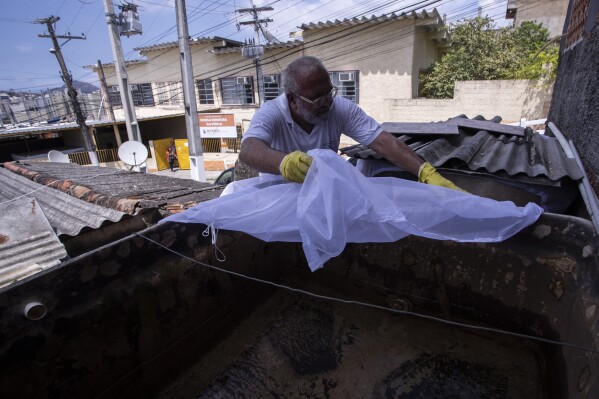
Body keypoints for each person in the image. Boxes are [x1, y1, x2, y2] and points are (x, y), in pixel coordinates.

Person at [239, 56, 464, 191]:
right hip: (278, 203)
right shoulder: (272, 114)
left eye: (329, 92)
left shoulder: (339, 108)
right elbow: (249, 150)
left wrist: (424, 171)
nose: (326, 102)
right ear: (292, 100)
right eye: (317, 98)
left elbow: (383, 142)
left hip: (323, 200)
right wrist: (284, 164)